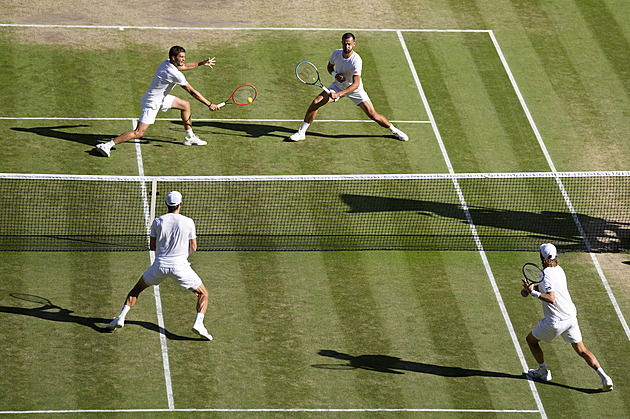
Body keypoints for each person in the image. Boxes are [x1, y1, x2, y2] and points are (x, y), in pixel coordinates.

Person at [107, 191, 213, 340]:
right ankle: (199, 324)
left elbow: (152, 246)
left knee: (137, 288)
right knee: (203, 294)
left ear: (166, 205)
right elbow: (193, 247)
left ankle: (121, 317)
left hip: (160, 266)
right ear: (180, 204)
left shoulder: (157, 221)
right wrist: (181, 256)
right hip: (180, 267)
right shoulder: (189, 222)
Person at [96, 46, 219, 157]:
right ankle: (107, 145)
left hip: (160, 98)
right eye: (181, 57)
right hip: (152, 102)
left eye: (184, 57)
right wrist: (209, 104)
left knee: (185, 105)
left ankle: (189, 137)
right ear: (173, 57)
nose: (183, 60)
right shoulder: (173, 73)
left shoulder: (166, 63)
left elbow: (185, 66)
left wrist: (201, 63)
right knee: (139, 133)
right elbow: (192, 92)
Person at [521, 243, 613, 391]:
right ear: (555, 256)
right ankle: (605, 378)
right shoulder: (559, 270)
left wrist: (533, 293)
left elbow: (551, 298)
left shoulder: (545, 275)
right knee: (582, 350)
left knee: (530, 341)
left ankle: (543, 372)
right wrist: (529, 289)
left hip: (555, 322)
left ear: (541, 257)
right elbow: (545, 287)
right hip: (571, 317)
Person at [289, 32, 408, 142]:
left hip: (354, 89)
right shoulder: (336, 53)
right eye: (345, 44)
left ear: (354, 44)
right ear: (342, 43)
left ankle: (395, 130)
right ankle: (301, 132)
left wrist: (338, 94)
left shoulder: (356, 61)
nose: (347, 47)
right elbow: (329, 67)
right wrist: (335, 75)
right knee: (316, 103)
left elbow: (356, 84)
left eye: (350, 44)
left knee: (373, 115)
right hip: (337, 86)